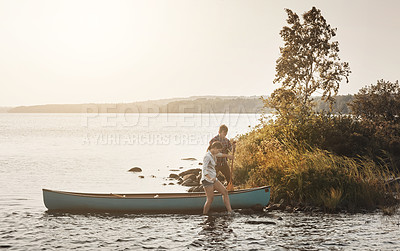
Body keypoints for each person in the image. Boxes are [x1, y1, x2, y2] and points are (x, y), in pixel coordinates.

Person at [201, 141, 234, 215]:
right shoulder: (207, 156)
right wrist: (209, 178)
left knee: (225, 192)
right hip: (207, 180)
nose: (218, 152)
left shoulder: (213, 154)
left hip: (213, 178)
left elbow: (220, 154)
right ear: (215, 148)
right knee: (210, 199)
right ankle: (205, 214)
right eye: (218, 150)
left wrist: (228, 156)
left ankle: (230, 211)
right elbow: (204, 169)